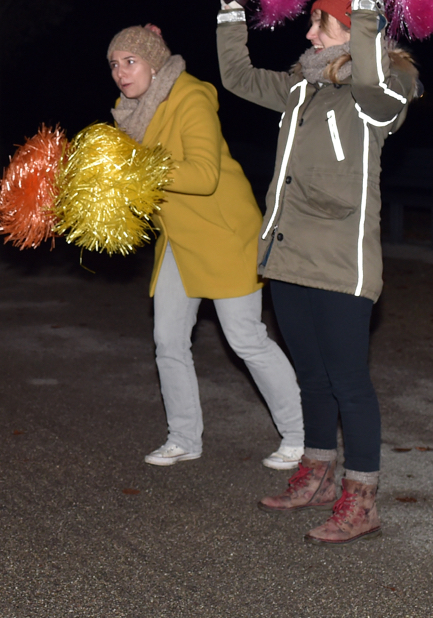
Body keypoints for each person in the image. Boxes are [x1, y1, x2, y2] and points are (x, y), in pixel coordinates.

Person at [215, 0, 417, 544]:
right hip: (288, 255)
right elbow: (236, 77)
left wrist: (366, 16)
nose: (307, 35)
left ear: (350, 28)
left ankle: (362, 498)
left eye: (318, 25)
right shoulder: (302, 86)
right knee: (311, 377)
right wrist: (232, 10)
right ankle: (319, 474)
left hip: (341, 262)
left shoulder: (380, 91)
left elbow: (376, 92)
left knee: (349, 382)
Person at [106, 25, 303, 472]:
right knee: (168, 341)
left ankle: (300, 435)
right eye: (114, 64)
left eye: (130, 61)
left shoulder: (191, 97)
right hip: (178, 238)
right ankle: (183, 438)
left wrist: (136, 170)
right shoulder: (129, 113)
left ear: (154, 63)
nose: (121, 72)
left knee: (246, 339)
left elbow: (203, 176)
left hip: (223, 234)